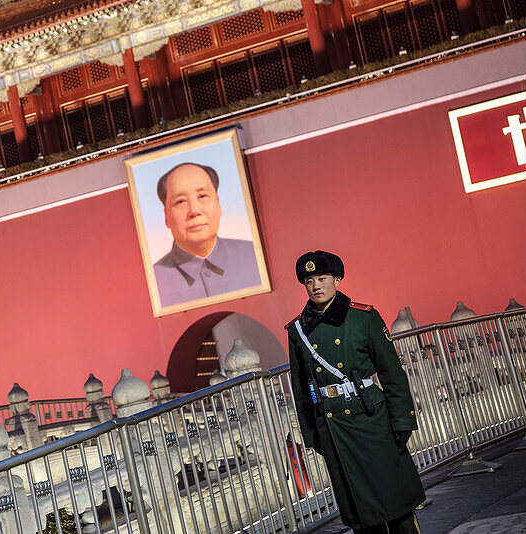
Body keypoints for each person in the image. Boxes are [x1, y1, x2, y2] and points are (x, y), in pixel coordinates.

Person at [286, 250, 425, 534]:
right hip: (335, 430)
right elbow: (302, 389)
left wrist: (402, 422)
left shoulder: (363, 318)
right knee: (361, 517)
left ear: (337, 279)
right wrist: (313, 435)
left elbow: (392, 374)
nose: (316, 286)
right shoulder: (298, 330)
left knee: (397, 506)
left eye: (322, 278)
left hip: (372, 421)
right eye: (309, 280)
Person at [152, 162, 260, 306]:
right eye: (180, 201)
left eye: (202, 196)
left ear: (218, 204)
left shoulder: (253, 255)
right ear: (166, 217)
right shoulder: (155, 279)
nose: (194, 211)